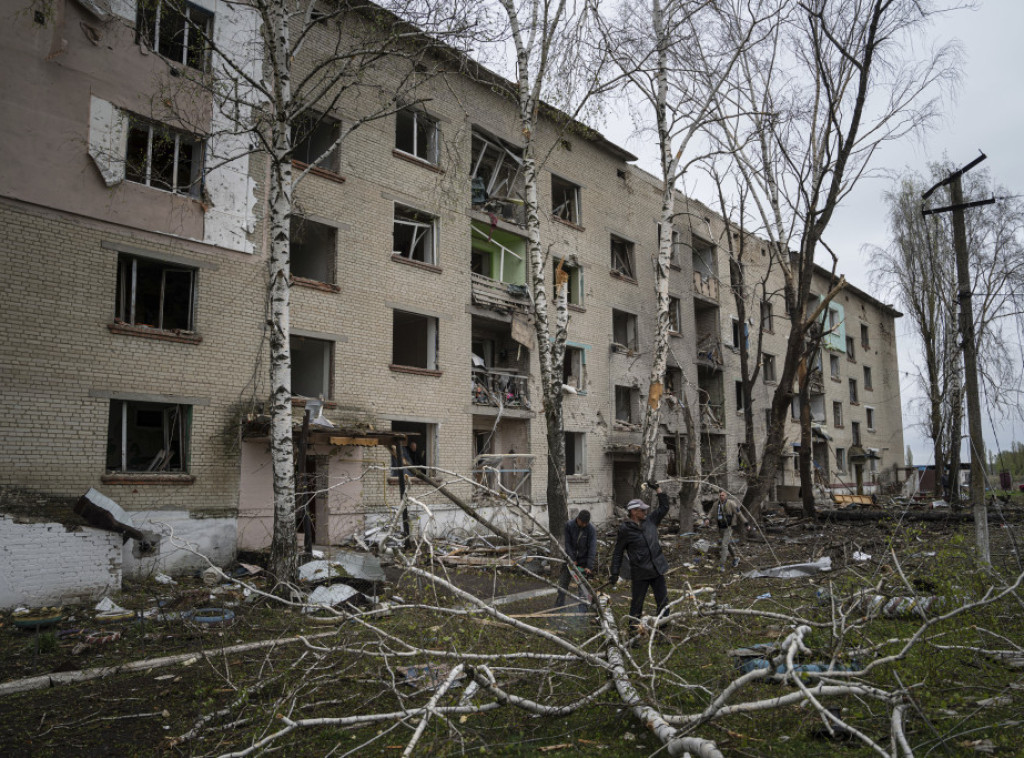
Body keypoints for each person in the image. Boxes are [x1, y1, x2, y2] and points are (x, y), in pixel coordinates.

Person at [609, 483, 671, 632]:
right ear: (634, 512)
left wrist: (657, 489)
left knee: (663, 603)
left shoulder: (650, 521)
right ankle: (633, 634)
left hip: (657, 569)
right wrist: (614, 572)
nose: (645, 511)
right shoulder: (625, 529)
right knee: (637, 604)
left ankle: (662, 632)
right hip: (640, 572)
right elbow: (618, 552)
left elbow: (664, 507)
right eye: (642, 510)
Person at [554, 510, 597, 609]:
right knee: (563, 583)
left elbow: (592, 548)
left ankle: (582, 608)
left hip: (583, 561)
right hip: (569, 560)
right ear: (578, 519)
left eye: (586, 523)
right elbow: (568, 543)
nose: (584, 525)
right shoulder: (569, 525)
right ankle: (559, 605)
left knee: (582, 587)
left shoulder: (591, 530)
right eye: (582, 522)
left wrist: (589, 566)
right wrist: (572, 558)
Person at [714, 490, 747, 571]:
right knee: (726, 543)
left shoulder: (731, 503)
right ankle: (735, 558)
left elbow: (739, 514)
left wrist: (746, 523)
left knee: (724, 544)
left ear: (726, 496)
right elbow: (711, 512)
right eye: (720, 495)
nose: (721, 497)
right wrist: (707, 518)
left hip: (729, 527)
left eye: (723, 495)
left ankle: (721, 565)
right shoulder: (716, 504)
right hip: (720, 527)